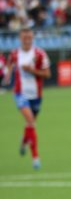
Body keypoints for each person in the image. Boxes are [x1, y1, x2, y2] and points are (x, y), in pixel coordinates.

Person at [3, 27, 51, 170]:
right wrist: (7, 77)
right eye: (24, 37)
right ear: (20, 38)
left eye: (29, 37)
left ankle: (24, 141)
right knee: (30, 121)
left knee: (30, 125)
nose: (27, 40)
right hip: (20, 93)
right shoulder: (14, 54)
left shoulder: (39, 54)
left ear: (32, 38)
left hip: (36, 95)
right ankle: (35, 157)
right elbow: (8, 69)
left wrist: (32, 70)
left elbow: (47, 74)